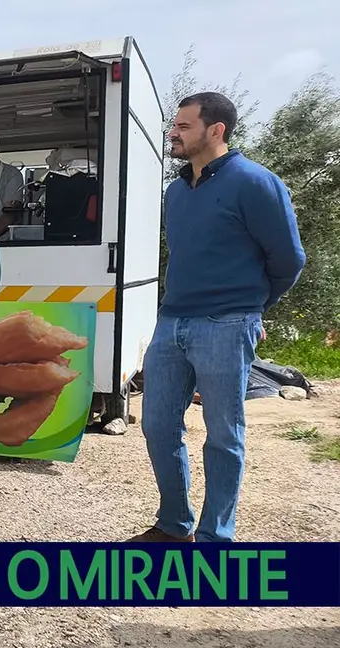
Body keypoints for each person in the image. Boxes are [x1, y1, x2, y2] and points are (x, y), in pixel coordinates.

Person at [132, 92, 306, 543]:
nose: (173, 132)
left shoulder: (254, 182)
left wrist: (253, 309)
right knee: (156, 426)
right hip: (172, 323)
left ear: (216, 130)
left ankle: (215, 538)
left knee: (223, 434)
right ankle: (174, 525)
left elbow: (288, 260)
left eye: (184, 126)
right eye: (175, 125)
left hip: (228, 324)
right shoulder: (177, 190)